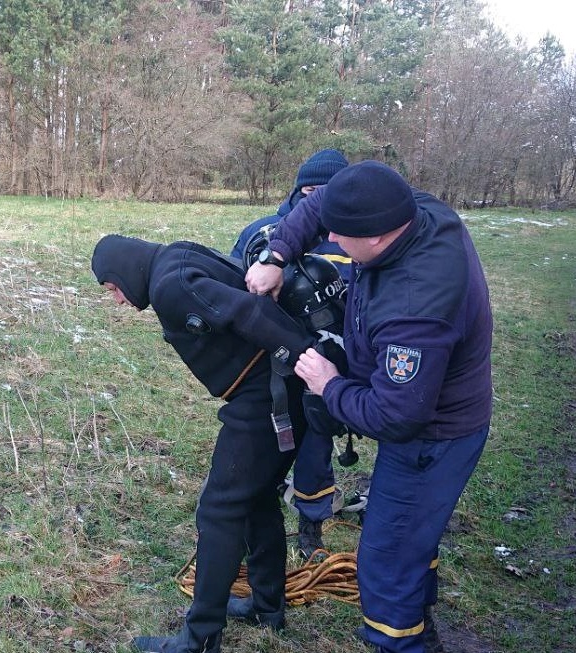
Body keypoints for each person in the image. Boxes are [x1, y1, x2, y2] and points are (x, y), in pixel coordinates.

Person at [244, 160, 493, 653]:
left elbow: (395, 416)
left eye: (341, 234)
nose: (331, 237)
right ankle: (419, 616)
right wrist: (277, 254)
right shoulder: (407, 207)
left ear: (377, 237)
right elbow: (323, 205)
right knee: (408, 538)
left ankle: (401, 640)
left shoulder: (416, 305)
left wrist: (330, 384)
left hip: (433, 433)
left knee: (387, 557)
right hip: (418, 407)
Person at [92, 234, 323, 653]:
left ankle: (199, 639)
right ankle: (267, 607)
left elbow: (250, 311)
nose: (118, 300)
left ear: (125, 271)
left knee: (219, 509)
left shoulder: (170, 286)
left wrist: (309, 359)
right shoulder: (175, 256)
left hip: (266, 395)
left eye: (113, 288)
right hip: (279, 390)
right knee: (255, 497)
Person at [232, 148, 354, 560]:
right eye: (312, 192)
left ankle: (310, 526)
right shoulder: (262, 233)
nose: (318, 200)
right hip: (272, 365)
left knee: (317, 445)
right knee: (262, 445)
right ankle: (250, 521)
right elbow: (234, 289)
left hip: (328, 361)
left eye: (329, 192)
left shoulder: (352, 236)